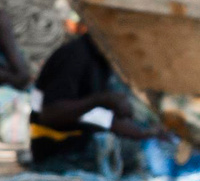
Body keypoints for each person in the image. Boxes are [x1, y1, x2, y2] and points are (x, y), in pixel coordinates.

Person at [28, 18, 161, 171]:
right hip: (57, 147)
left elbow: (93, 114)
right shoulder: (74, 55)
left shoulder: (101, 59)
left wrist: (140, 130)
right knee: (142, 156)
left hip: (79, 139)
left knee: (156, 148)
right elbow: (50, 114)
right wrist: (102, 100)